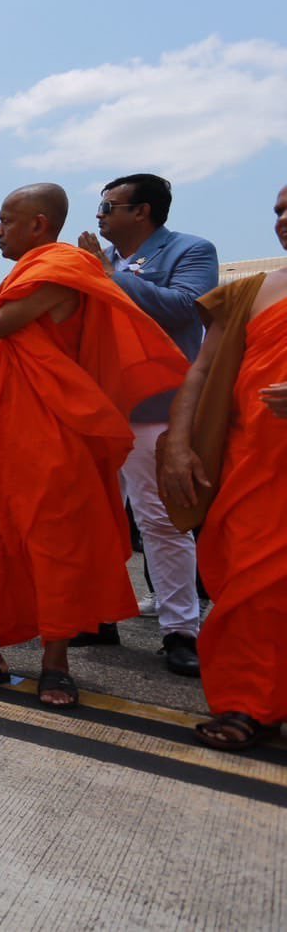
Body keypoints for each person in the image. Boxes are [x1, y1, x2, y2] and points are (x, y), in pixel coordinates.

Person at [0, 183, 189, 708]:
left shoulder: (60, 268)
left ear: (38, 224)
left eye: (4, 221)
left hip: (48, 434)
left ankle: (55, 662)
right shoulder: (26, 273)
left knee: (52, 543)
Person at [160, 183, 287, 750]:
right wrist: (181, 444)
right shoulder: (251, 293)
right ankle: (246, 703)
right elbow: (200, 371)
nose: (284, 218)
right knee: (246, 587)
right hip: (252, 464)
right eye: (279, 208)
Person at [76, 173, 217, 674]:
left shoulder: (191, 250)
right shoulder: (101, 260)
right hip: (101, 405)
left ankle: (181, 630)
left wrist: (106, 276)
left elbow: (185, 308)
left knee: (159, 519)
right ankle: (100, 615)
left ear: (144, 212)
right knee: (99, 515)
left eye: (109, 207)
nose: (99, 216)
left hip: (159, 406)